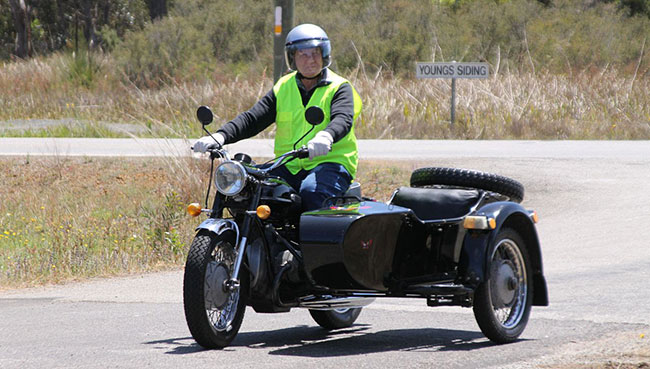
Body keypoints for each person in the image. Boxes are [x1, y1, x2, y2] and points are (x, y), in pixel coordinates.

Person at [192, 23, 362, 211]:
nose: (310, 60)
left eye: (315, 53)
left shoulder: (339, 87)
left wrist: (326, 136)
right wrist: (220, 136)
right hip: (289, 165)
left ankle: (312, 241)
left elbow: (343, 119)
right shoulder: (284, 87)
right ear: (293, 58)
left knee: (312, 192)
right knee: (250, 188)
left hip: (331, 164)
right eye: (303, 54)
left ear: (324, 55)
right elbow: (253, 119)